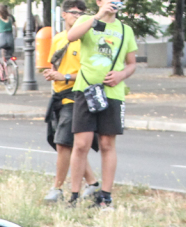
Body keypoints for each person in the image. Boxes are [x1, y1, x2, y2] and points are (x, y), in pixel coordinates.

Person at [61, 0, 137, 209]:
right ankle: (74, 195)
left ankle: (105, 196)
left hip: (112, 93)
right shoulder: (87, 20)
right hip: (86, 90)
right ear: (99, 2)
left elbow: (131, 63)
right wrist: (98, 16)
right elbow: (71, 36)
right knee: (81, 144)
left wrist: (121, 74)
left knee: (107, 144)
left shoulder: (125, 30)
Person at [39, 0, 99, 203]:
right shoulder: (58, 39)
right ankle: (92, 183)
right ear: (63, 14)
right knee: (67, 145)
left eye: (82, 13)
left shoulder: (87, 40)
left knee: (64, 143)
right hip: (59, 96)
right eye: (74, 12)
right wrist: (52, 74)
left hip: (76, 95)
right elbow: (56, 65)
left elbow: (90, 71)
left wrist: (64, 77)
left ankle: (57, 188)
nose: (78, 16)